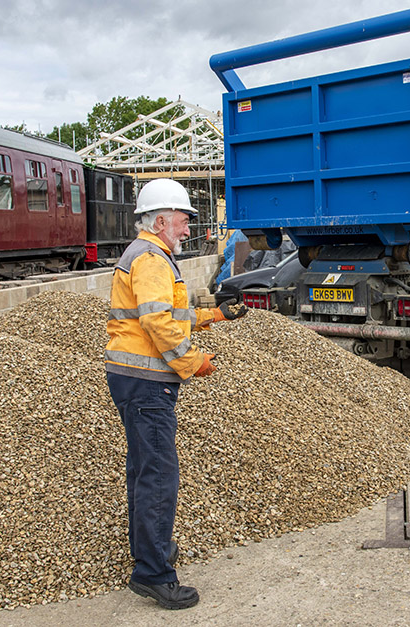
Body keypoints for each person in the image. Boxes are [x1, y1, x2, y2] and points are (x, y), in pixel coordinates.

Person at [105, 178, 248, 609]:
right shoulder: (150, 258)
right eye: (184, 220)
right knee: (159, 475)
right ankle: (153, 573)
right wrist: (192, 362)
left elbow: (173, 314)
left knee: (144, 468)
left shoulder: (153, 255)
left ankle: (151, 552)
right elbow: (157, 323)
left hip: (135, 377)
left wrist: (216, 316)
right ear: (162, 219)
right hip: (145, 381)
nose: (188, 229)